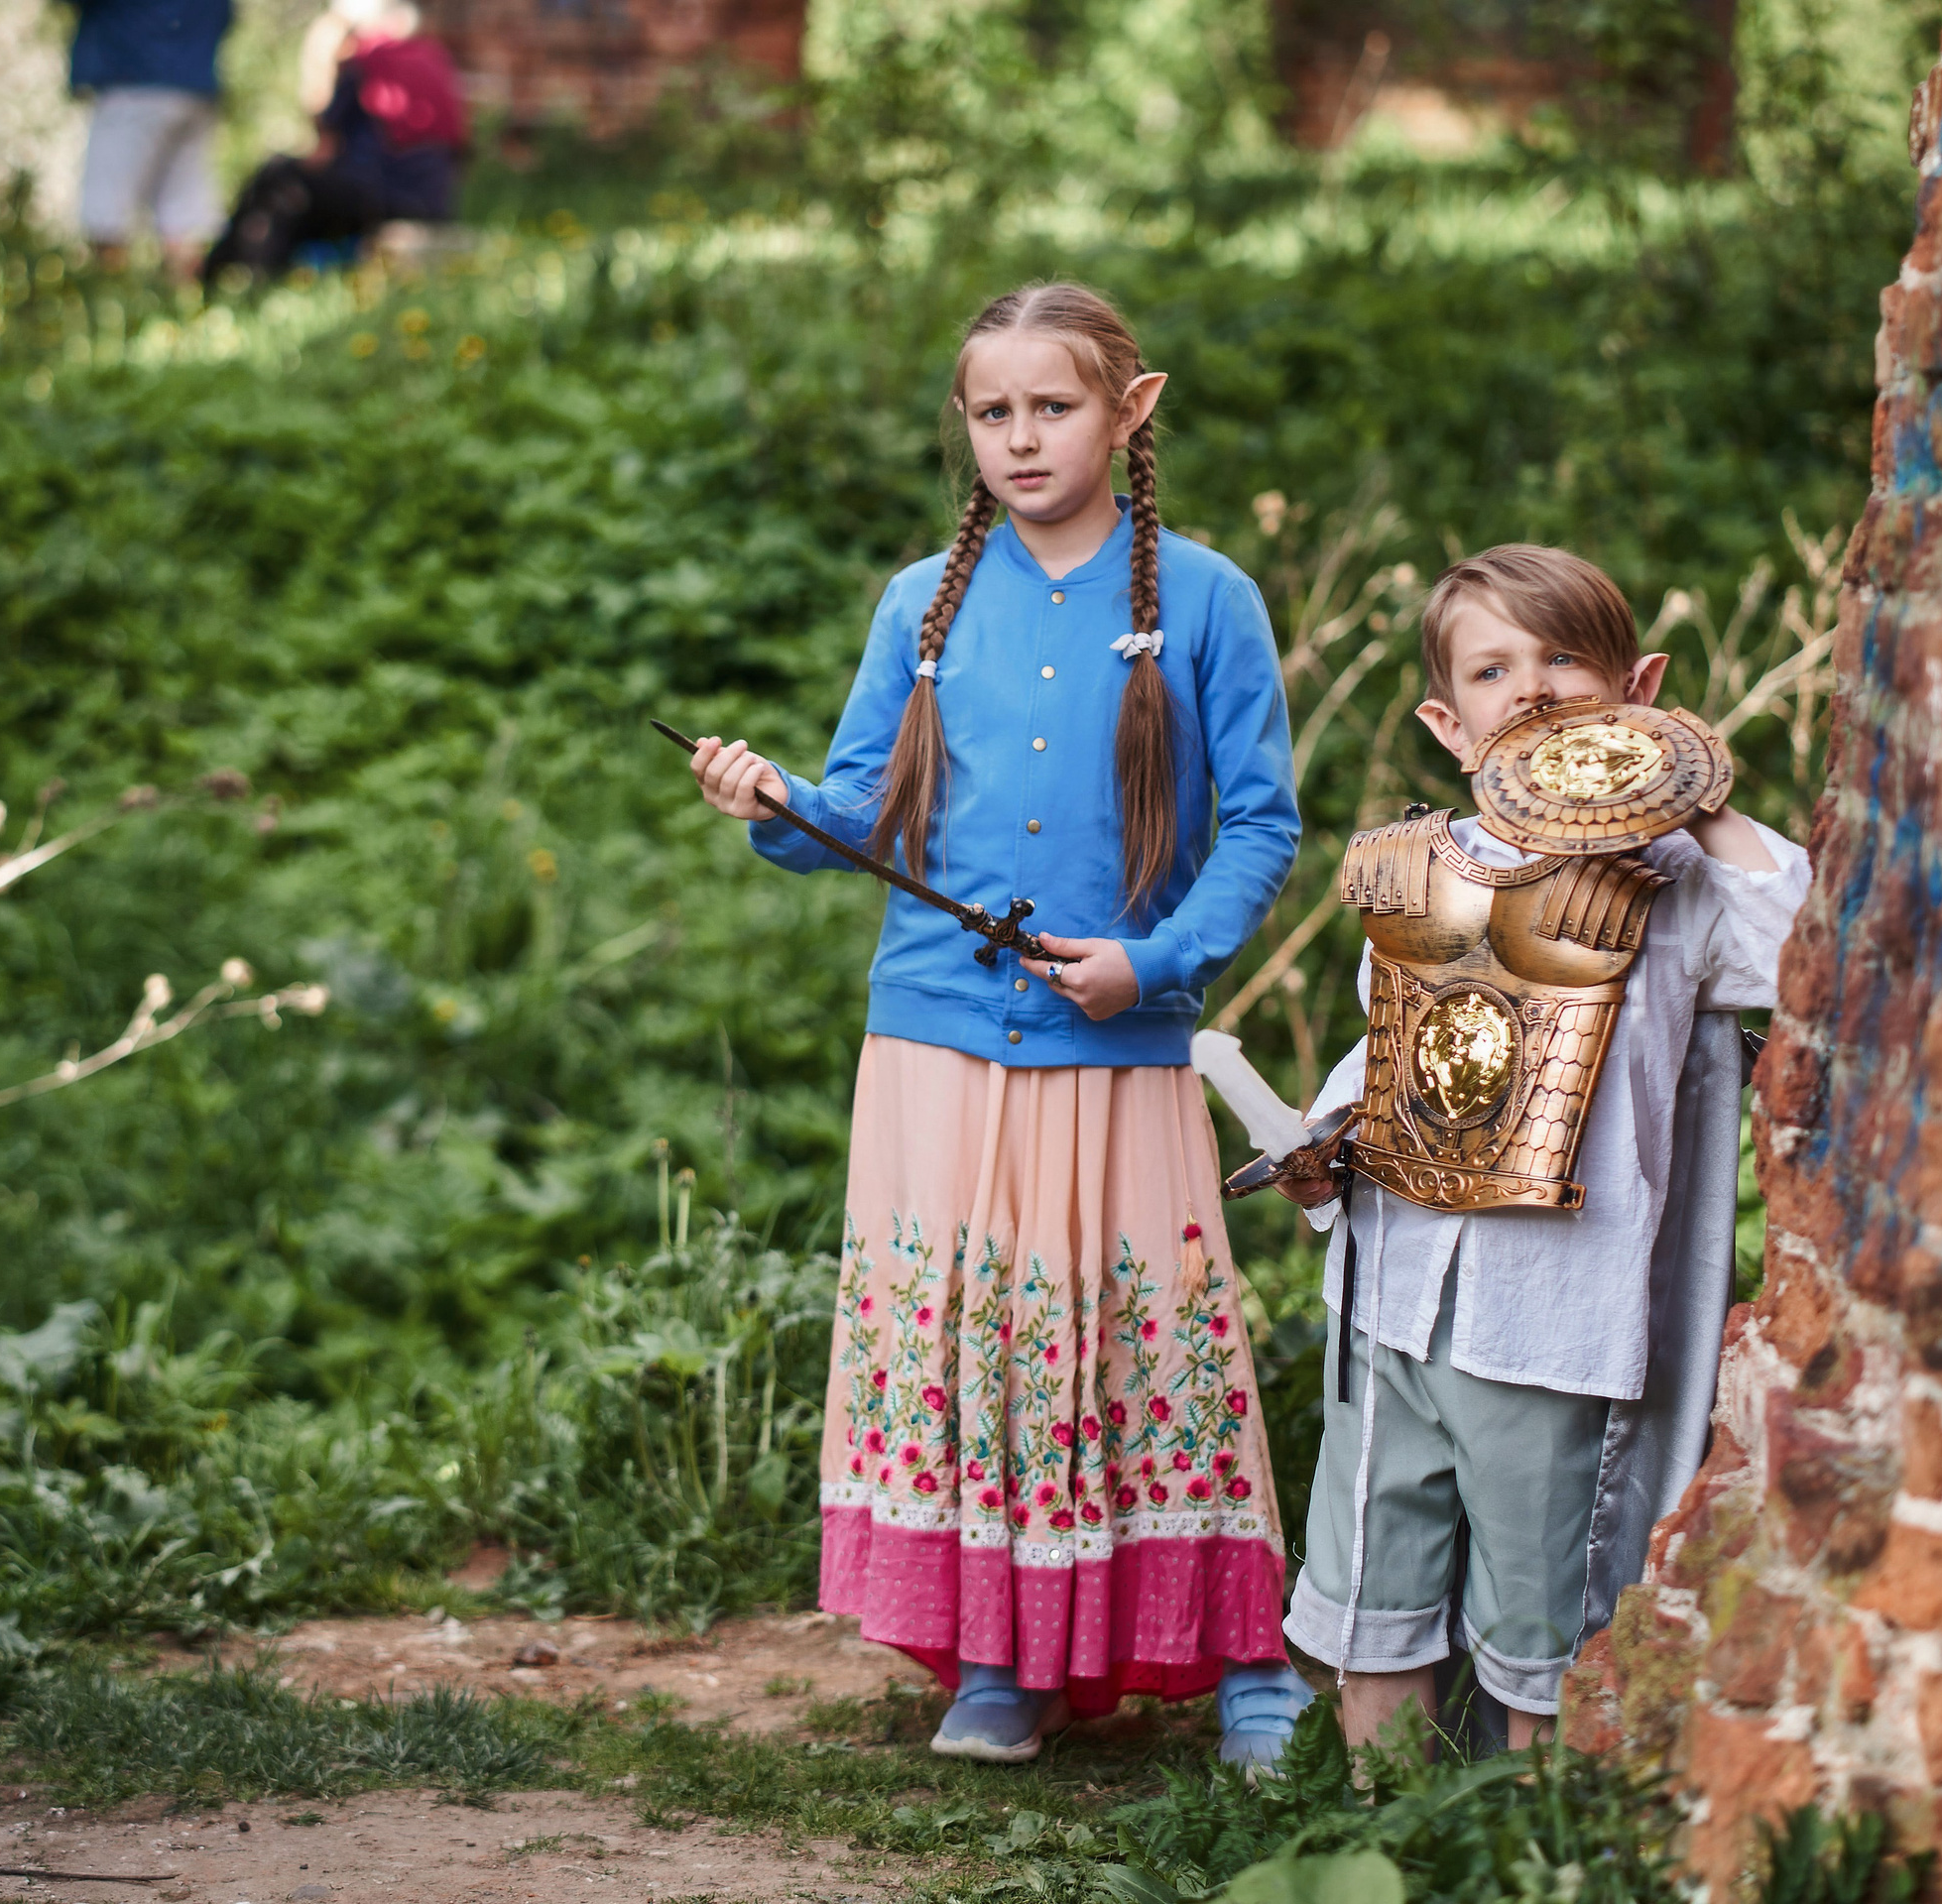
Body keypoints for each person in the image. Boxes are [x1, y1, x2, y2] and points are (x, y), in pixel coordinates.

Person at [686, 284, 1318, 1769]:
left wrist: (1155, 965)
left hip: (1115, 1036)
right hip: (932, 1041)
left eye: (1056, 406)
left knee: (1143, 1343)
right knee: (978, 1350)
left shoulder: (1208, 599)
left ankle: (1243, 1658)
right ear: (964, 426)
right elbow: (862, 813)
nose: (1023, 439)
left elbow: (1264, 830)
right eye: (993, 412)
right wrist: (773, 804)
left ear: (1132, 408)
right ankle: (1001, 1657)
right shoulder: (923, 601)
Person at [1274, 546, 1810, 1750]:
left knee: (1541, 1629)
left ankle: (1525, 1855)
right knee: (1375, 1596)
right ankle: (1386, 1834)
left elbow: (1799, 953)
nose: (1531, 688)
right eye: (1493, 667)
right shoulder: (1416, 869)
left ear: (1641, 687)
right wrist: (1318, 1148)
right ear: (1447, 722)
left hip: (1551, 1317)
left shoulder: (1676, 887)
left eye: (1565, 655)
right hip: (1390, 1294)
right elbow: (1384, 1056)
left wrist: (1698, 788)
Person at [204, 0, 463, 282]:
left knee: (279, 178)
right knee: (294, 187)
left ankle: (227, 275)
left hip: (382, 193)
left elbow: (324, 144)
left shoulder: (368, 63)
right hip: (432, 199)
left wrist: (320, 56)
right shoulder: (435, 57)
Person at [68, 0, 232, 278]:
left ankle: (109, 303)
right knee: (183, 216)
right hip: (194, 85)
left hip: (132, 87)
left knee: (107, 218)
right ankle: (187, 301)